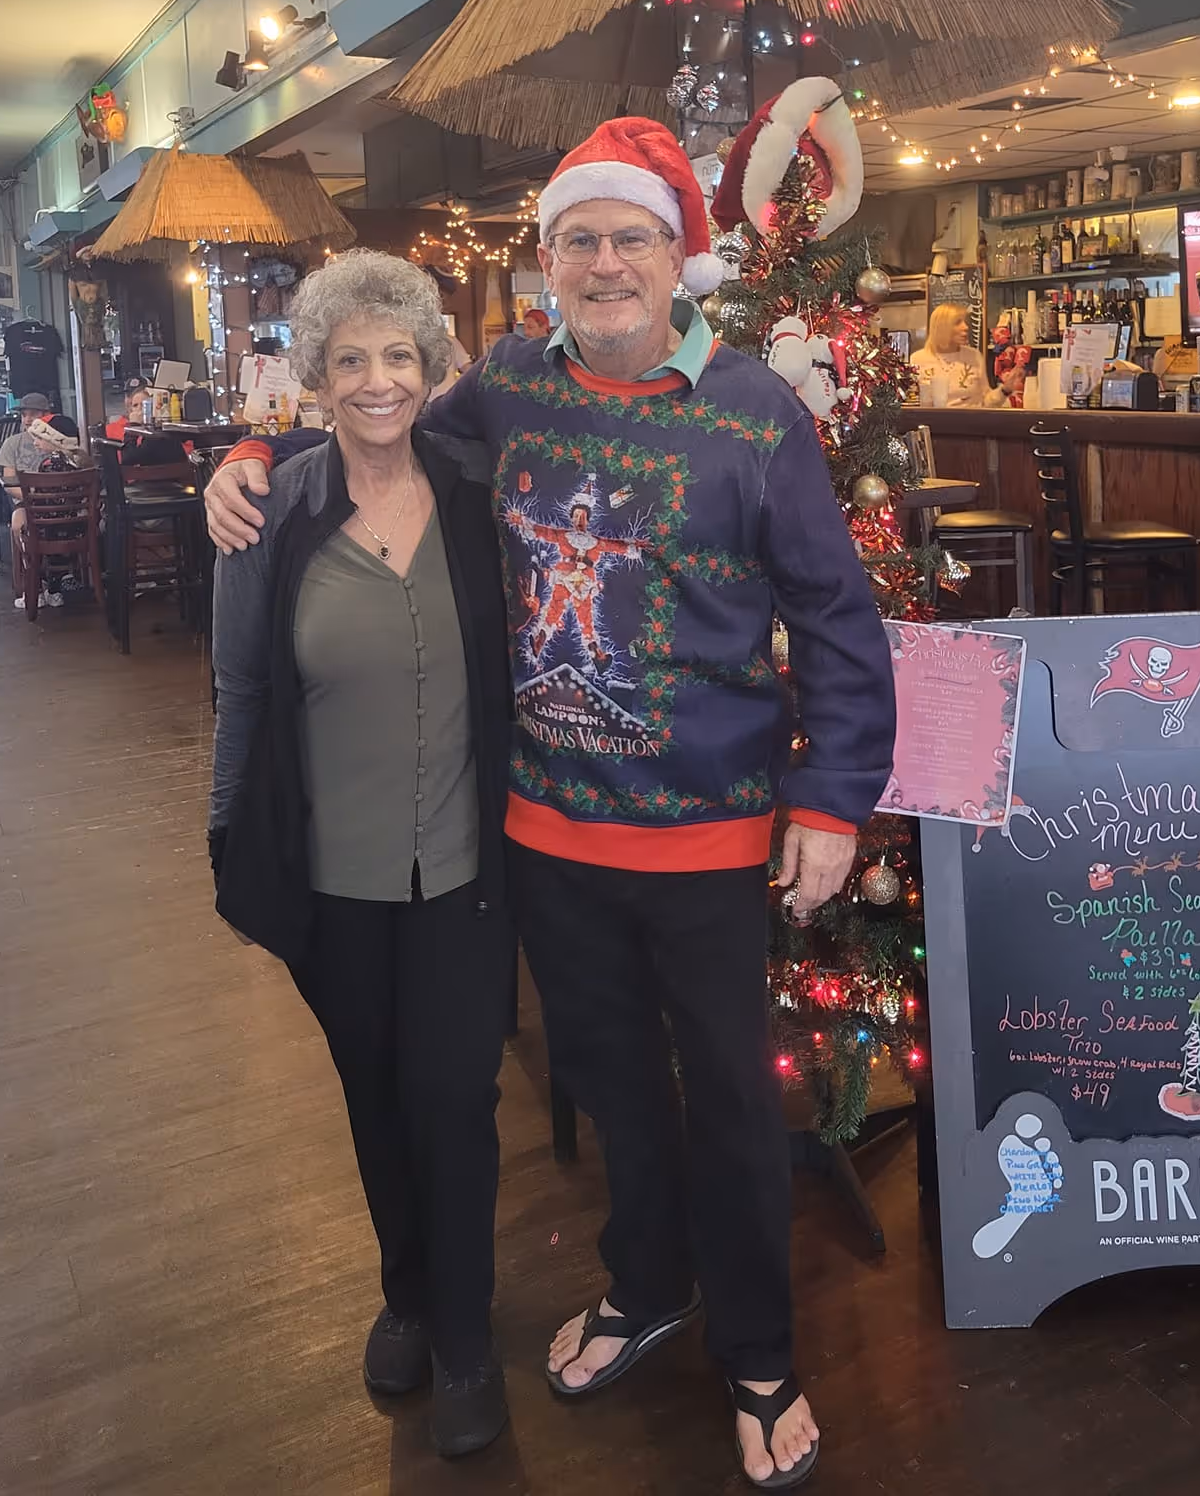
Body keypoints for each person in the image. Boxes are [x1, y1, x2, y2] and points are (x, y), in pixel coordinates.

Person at [204, 117, 897, 1490]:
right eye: (578, 240)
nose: (602, 263)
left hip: (705, 834)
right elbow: (370, 417)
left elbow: (837, 618)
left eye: (628, 236)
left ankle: (759, 1355)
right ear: (548, 266)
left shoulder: (757, 412)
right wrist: (245, 460)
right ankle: (648, 1288)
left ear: (676, 255)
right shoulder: (511, 385)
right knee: (611, 1085)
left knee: (732, 1107)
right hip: (547, 833)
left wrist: (830, 799)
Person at [207, 251, 515, 1460]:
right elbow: (238, 689)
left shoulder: (481, 489)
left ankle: (470, 1335)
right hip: (331, 873)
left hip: (466, 868)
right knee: (375, 1098)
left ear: (433, 370)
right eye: (352, 360)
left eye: (399, 356)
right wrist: (229, 841)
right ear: (317, 380)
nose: (378, 381)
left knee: (456, 1095)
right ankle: (407, 1291)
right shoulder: (270, 508)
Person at [0, 393, 87, 609]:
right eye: (24, 414)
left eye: (33, 414)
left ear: (47, 417)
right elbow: (11, 485)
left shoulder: (56, 455)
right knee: (21, 523)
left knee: (36, 533)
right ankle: (49, 580)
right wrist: (32, 499)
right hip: (33, 502)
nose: (27, 419)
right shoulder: (13, 444)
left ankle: (43, 581)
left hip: (53, 510)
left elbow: (7, 481)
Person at [912, 302, 1014, 407]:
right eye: (957, 322)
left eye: (965, 322)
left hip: (972, 422)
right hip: (933, 422)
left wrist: (1005, 390)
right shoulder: (917, 360)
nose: (965, 327)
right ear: (941, 327)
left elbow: (986, 401)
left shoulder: (974, 356)